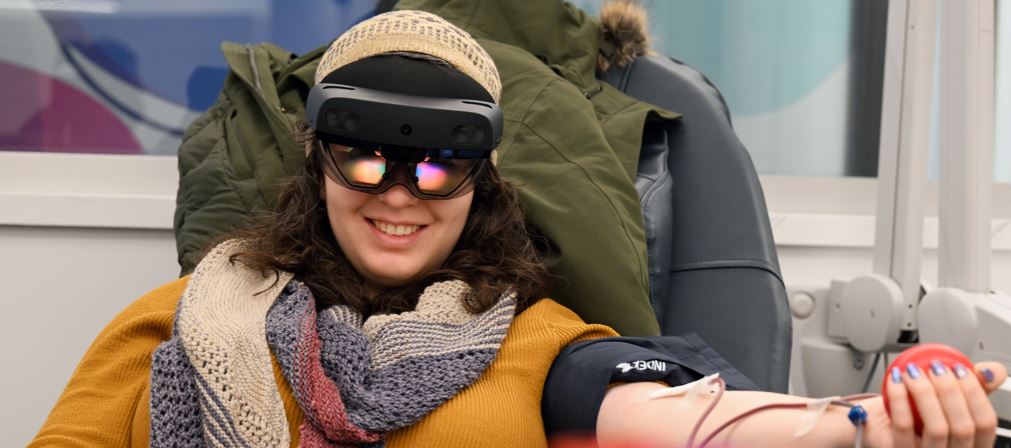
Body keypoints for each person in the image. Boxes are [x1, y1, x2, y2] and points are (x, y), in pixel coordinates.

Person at [31, 9, 1006, 448]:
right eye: (366, 155)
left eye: (439, 160)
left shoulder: (532, 340)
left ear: (485, 181)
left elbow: (690, 421)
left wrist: (868, 426)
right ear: (315, 160)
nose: (400, 193)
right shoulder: (177, 320)